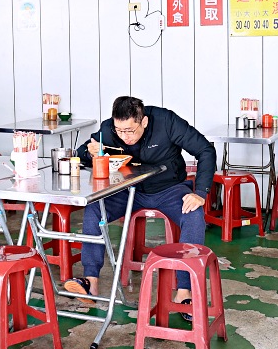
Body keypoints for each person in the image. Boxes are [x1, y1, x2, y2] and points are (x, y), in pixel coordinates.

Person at [64, 96, 216, 319]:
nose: (124, 136)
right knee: (95, 207)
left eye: (129, 131)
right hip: (128, 191)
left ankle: (184, 290)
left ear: (143, 121)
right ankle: (91, 281)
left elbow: (205, 150)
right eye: (119, 131)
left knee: (193, 214)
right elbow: (81, 155)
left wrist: (200, 192)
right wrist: (91, 153)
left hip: (169, 189)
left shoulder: (167, 121)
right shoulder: (110, 129)